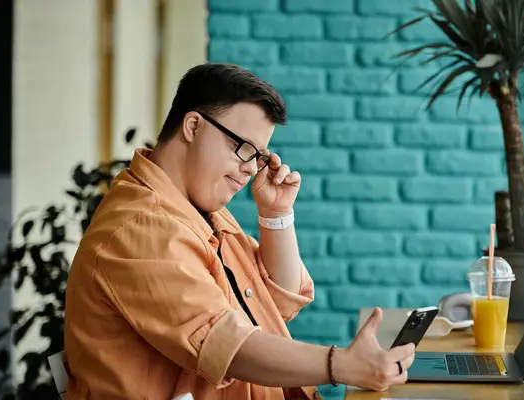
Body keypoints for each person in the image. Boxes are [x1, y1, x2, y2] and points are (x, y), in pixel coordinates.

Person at [63, 63, 415, 400]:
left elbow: (277, 302)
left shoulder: (198, 211)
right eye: (243, 148)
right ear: (193, 126)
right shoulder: (142, 227)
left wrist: (276, 214)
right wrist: (343, 365)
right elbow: (229, 348)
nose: (249, 169)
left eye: (259, 156)